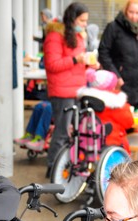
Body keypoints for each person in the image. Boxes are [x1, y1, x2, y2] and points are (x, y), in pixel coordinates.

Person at [43, 2, 96, 178]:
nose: (84, 24)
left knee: (75, 133)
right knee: (62, 132)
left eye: (86, 21)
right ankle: (53, 169)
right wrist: (75, 59)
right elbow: (51, 65)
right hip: (61, 92)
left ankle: (67, 165)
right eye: (82, 20)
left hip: (77, 90)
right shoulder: (55, 35)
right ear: (72, 18)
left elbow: (78, 63)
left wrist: (90, 63)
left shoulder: (78, 34)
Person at [98, 0, 138, 109]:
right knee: (122, 120)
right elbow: (103, 52)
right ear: (125, 11)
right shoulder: (114, 27)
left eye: (137, 13)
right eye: (131, 12)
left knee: (137, 120)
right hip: (121, 81)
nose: (134, 16)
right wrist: (115, 75)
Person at [77, 68, 135, 151]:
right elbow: (129, 122)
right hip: (110, 141)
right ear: (111, 86)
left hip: (87, 139)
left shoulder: (85, 98)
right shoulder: (116, 103)